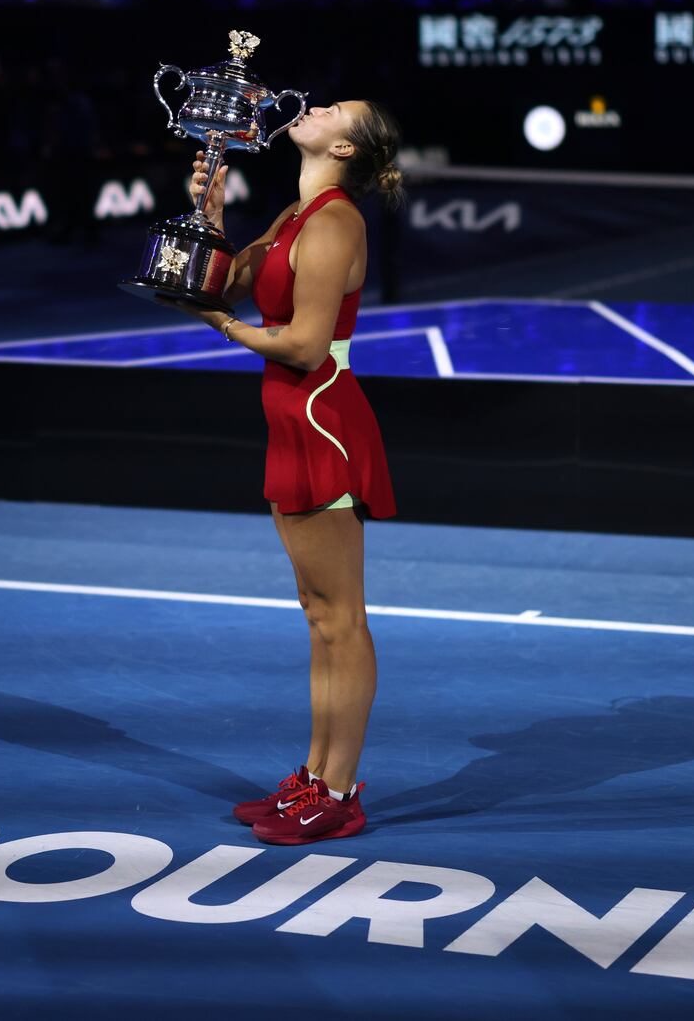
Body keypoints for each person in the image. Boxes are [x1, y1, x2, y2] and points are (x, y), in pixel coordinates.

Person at [158, 99, 403, 844]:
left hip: (322, 419)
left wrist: (226, 330)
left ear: (346, 147)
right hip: (292, 421)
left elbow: (301, 345)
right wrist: (208, 212)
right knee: (318, 615)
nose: (317, 106)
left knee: (343, 619)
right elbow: (226, 280)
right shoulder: (294, 216)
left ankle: (340, 790)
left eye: (336, 110)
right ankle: (314, 775)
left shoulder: (334, 221)